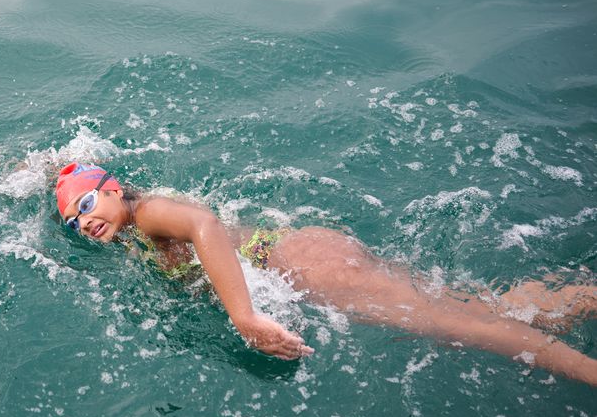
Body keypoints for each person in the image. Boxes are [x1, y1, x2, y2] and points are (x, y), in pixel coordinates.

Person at [54, 162, 597, 386]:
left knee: (454, 325)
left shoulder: (148, 212)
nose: (83, 223)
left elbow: (203, 223)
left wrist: (243, 315)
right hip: (303, 257)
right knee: (491, 312)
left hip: (300, 265)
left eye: (85, 206)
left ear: (115, 189)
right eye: (72, 222)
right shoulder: (128, 230)